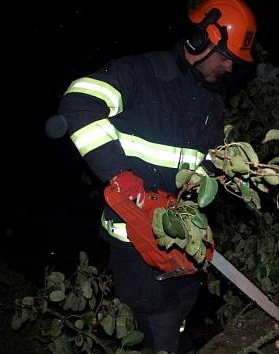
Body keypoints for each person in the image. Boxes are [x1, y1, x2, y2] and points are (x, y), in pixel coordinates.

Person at [56, 0, 257, 352]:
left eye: (234, 63)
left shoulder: (211, 103)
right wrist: (119, 174)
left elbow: (206, 166)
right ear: (201, 40)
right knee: (155, 318)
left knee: (179, 311)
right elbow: (78, 102)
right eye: (225, 56)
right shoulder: (143, 73)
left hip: (178, 241)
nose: (228, 67)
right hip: (132, 239)